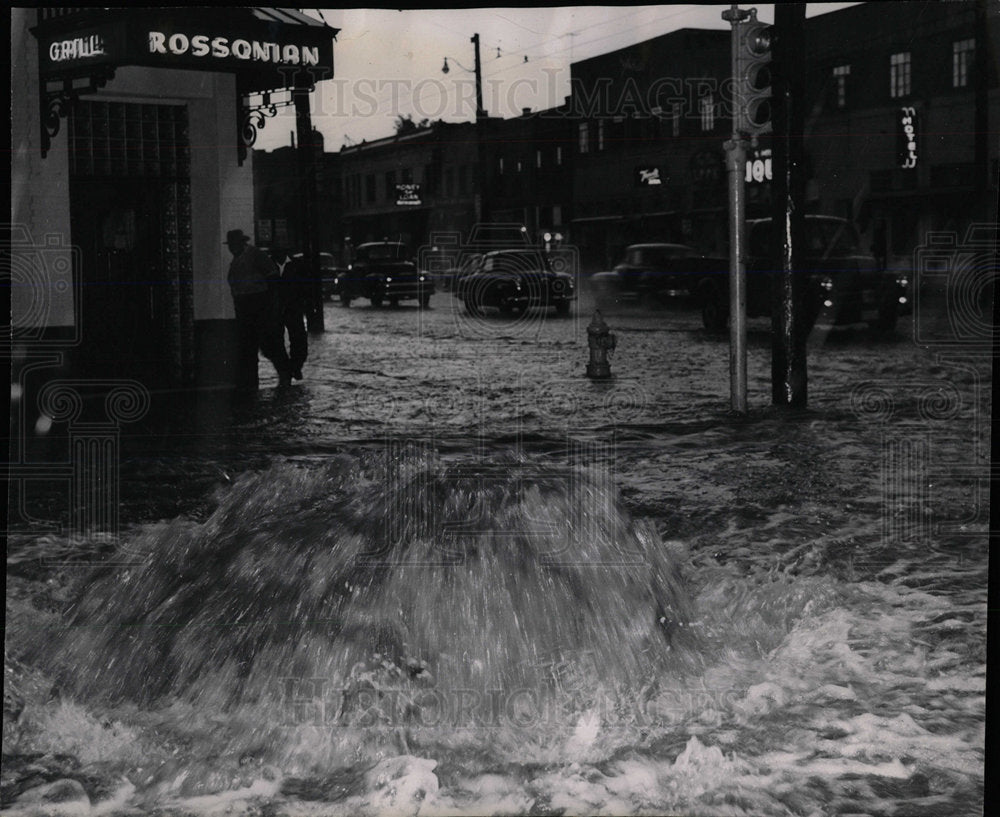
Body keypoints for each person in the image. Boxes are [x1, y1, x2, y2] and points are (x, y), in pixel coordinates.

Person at [225, 229, 293, 389]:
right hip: (244, 308)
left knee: (269, 344)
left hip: (259, 305)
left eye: (234, 244)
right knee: (249, 346)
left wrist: (270, 303)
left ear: (242, 243)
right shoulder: (236, 261)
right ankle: (250, 381)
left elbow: (273, 277)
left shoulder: (255, 256)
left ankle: (285, 373)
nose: (232, 248)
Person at [269, 246, 309, 381]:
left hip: (293, 308)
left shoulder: (297, 266)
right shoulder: (268, 265)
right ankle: (285, 369)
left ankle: (295, 366)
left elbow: (305, 287)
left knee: (298, 339)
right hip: (275, 309)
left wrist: (303, 304)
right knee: (275, 341)